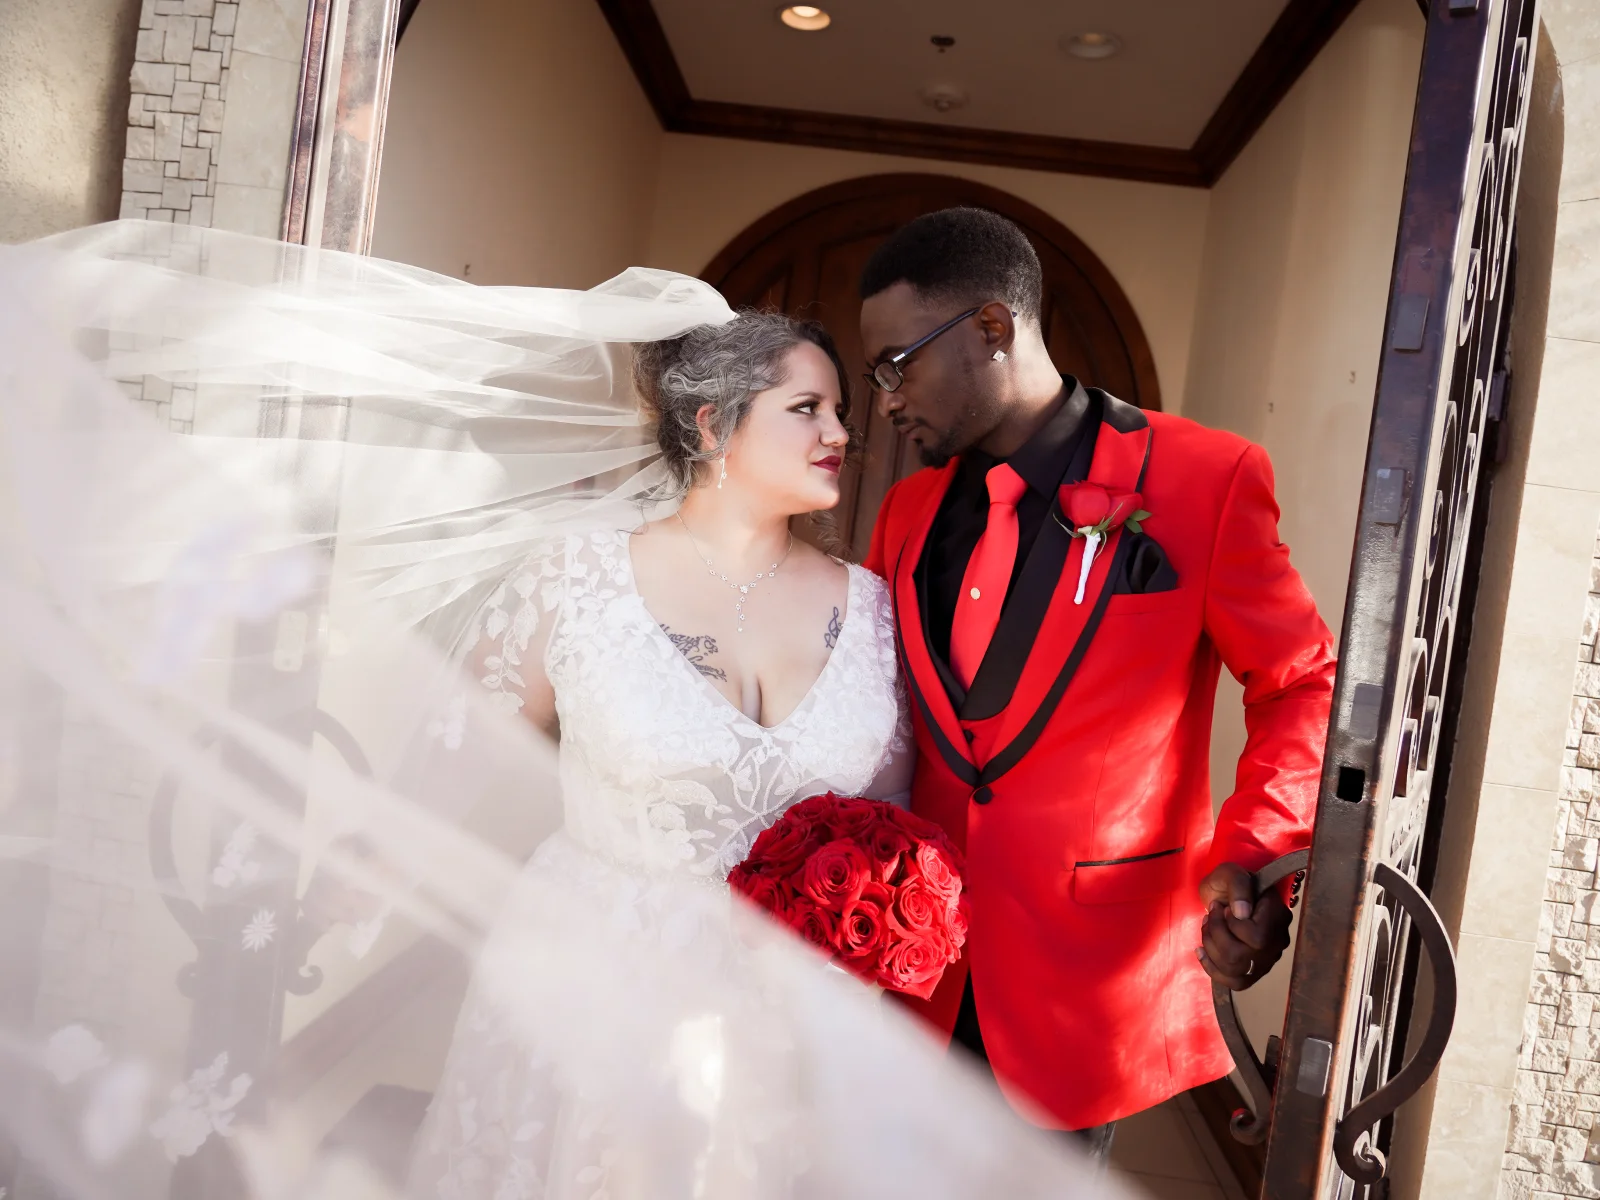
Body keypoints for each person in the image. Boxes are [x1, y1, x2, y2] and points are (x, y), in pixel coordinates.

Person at [859, 207, 1338, 1155]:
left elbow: (1302, 684)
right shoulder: (909, 510)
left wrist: (1251, 858)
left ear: (991, 329)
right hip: (910, 968)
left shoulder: (1208, 477)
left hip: (1085, 980)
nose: (886, 402)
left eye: (895, 364)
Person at [404, 313, 916, 1198]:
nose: (841, 432)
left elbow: (891, 823)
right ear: (714, 425)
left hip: (788, 1021)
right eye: (808, 407)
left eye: (840, 410)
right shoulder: (573, 582)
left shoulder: (872, 609)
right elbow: (452, 767)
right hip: (593, 986)